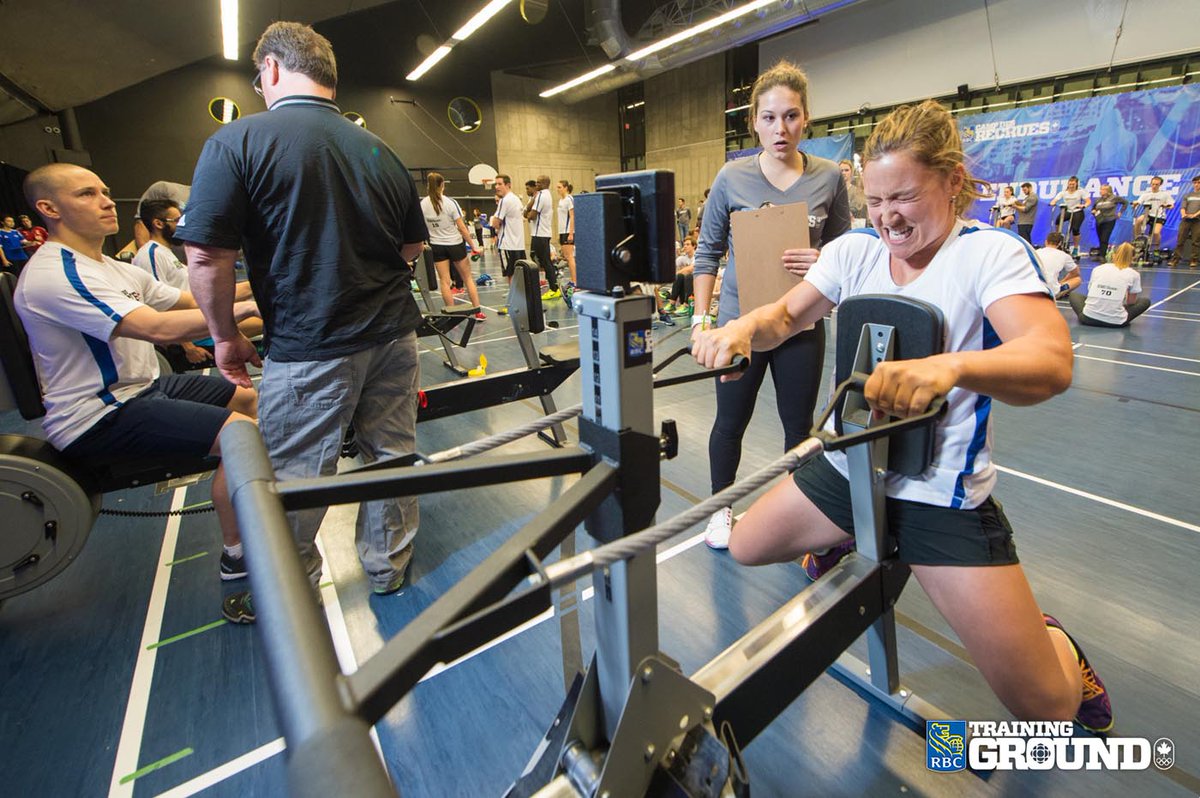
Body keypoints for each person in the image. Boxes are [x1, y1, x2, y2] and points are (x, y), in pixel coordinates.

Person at [692, 99, 1112, 734]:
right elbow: (785, 317)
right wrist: (741, 329)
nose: (887, 216)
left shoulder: (988, 255)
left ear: (952, 181)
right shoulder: (854, 250)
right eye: (876, 200)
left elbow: (1051, 362)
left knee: (1048, 706)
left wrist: (952, 368)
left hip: (938, 494)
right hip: (850, 469)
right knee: (745, 545)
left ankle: (1058, 643)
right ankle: (848, 534)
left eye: (905, 197)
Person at [177, 21, 429, 622]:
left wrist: (222, 336)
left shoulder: (237, 140)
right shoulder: (378, 148)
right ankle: (388, 567)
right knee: (390, 456)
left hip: (312, 344)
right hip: (393, 334)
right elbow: (412, 249)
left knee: (293, 474)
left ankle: (291, 597)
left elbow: (206, 255)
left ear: (268, 69)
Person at [14, 164, 260, 584]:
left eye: (105, 190)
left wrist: (267, 281)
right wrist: (255, 309)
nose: (107, 201)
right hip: (98, 413)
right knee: (246, 438)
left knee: (247, 400)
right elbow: (156, 327)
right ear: (48, 208)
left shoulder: (110, 266)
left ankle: (249, 504)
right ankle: (238, 555)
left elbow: (189, 300)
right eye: (87, 194)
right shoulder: (57, 273)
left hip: (142, 389)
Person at [692, 60, 851, 549]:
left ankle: (793, 515)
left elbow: (849, 250)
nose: (780, 129)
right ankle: (720, 511)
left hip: (801, 327)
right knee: (730, 422)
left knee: (797, 427)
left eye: (790, 116)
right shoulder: (730, 178)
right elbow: (706, 251)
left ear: (806, 119)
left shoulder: (829, 178)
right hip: (739, 325)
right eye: (768, 117)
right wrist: (702, 320)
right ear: (753, 122)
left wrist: (822, 256)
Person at [421, 172, 486, 320]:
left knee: (445, 281)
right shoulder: (450, 203)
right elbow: (462, 228)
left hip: (437, 246)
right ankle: (477, 312)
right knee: (467, 278)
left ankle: (452, 315)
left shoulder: (422, 204)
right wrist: (473, 245)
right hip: (455, 245)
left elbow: (422, 227)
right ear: (442, 186)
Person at [1068, 243, 1150, 327]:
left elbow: (1090, 292)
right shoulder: (1134, 274)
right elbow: (1130, 302)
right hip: (1116, 322)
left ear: (1113, 255)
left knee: (1074, 295)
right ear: (1133, 258)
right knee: (1145, 301)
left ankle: (1097, 311)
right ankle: (1115, 312)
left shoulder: (1098, 269)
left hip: (1087, 318)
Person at [491, 174, 527, 284]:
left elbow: (495, 223)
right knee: (520, 276)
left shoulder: (504, 201)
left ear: (508, 185)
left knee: (510, 274)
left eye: (500, 184)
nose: (497, 187)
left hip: (507, 244)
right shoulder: (516, 199)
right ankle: (520, 300)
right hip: (519, 245)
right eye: (496, 184)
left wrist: (495, 221)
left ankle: (513, 301)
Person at [527, 175, 557, 299]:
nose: (536, 185)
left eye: (539, 183)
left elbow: (530, 216)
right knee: (541, 259)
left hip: (540, 234)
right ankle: (550, 283)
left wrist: (528, 211)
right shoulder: (545, 195)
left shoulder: (541, 195)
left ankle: (554, 288)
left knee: (543, 260)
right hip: (541, 234)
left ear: (545, 184)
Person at [1049, 176, 1090, 254]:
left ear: (1076, 184)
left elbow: (1088, 201)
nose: (1071, 186)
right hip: (1068, 210)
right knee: (1058, 221)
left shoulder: (1080, 191)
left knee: (1075, 229)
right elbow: (1055, 199)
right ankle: (1059, 236)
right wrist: (1053, 202)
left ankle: (1075, 248)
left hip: (1077, 210)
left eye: (1073, 184)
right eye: (1070, 184)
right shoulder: (1064, 192)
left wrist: (1084, 205)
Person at [1133, 176, 1173, 252]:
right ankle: (1138, 240)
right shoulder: (1146, 194)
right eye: (1153, 184)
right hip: (1148, 214)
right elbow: (1138, 201)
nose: (1154, 186)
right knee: (1138, 220)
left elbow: (1171, 205)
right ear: (1151, 184)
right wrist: (1135, 203)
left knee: (1156, 233)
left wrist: (1166, 206)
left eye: (1156, 184)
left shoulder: (1164, 194)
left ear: (1160, 185)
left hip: (1159, 215)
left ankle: (1156, 249)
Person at [1036, 231, 1080, 298]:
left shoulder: (1036, 252)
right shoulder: (1064, 255)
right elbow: (1076, 273)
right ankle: (1059, 292)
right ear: (1060, 244)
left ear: (1046, 241)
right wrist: (1062, 281)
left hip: (1034, 289)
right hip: (1051, 291)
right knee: (1077, 280)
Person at [1168, 175, 1200, 268]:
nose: (1197, 185)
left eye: (1199, 183)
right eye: (1195, 183)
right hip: (1186, 220)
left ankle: (1194, 260)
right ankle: (1175, 260)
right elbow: (1183, 207)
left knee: (1196, 241)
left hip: (1197, 221)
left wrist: (1195, 215)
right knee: (1180, 240)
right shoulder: (1187, 195)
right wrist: (1183, 214)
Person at [1090, 184, 1127, 262]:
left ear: (1108, 191)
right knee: (1100, 238)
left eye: (1103, 189)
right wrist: (1093, 211)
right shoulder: (1098, 200)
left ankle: (1102, 256)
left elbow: (1125, 202)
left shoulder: (1114, 198)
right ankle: (1101, 253)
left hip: (1109, 220)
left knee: (1105, 238)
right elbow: (1093, 208)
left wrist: (1120, 212)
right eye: (1100, 189)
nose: (1101, 191)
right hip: (1099, 221)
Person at [556, 180, 576, 284]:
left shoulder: (569, 199)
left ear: (566, 188)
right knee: (567, 257)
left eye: (559, 187)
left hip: (568, 232)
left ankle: (575, 281)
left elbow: (572, 216)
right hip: (562, 232)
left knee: (570, 257)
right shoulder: (560, 201)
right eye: (557, 187)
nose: (557, 189)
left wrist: (571, 233)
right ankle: (574, 279)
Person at [840, 159, 868, 227]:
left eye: (846, 170)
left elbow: (862, 214)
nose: (844, 173)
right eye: (841, 170)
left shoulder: (857, 192)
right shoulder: (834, 192)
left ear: (851, 172)